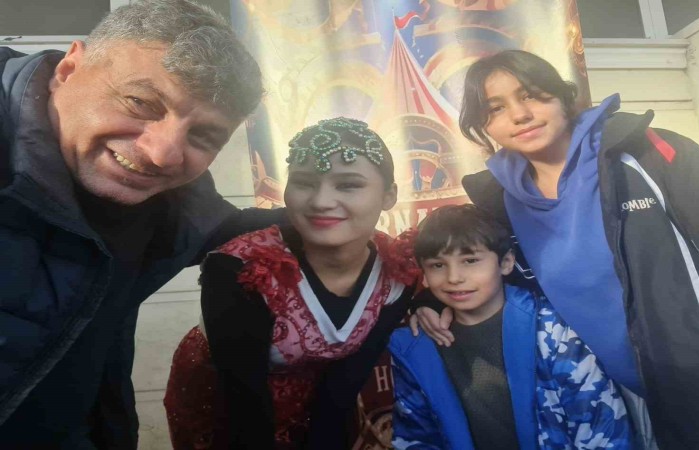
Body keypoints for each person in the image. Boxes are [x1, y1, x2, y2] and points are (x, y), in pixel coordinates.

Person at [413, 49, 699, 449]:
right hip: (607, 404)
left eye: (531, 94)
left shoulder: (644, 154)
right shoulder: (501, 202)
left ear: (563, 96)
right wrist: (429, 302)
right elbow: (482, 268)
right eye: (495, 108)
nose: (520, 114)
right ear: (483, 126)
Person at [0, 1, 284, 448]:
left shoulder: (174, 206)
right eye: (141, 103)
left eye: (203, 136)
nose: (163, 154)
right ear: (70, 69)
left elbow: (234, 228)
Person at [163, 117, 420, 449]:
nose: (320, 201)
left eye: (348, 185)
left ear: (389, 195)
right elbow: (244, 403)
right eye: (303, 182)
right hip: (224, 409)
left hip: (319, 400)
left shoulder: (396, 270)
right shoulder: (241, 269)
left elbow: (347, 380)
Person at [390, 204, 632, 450]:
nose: (454, 277)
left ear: (506, 262)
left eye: (470, 260)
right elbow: (415, 437)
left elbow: (599, 424)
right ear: (423, 272)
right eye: (438, 265)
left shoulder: (551, 329)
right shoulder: (413, 347)